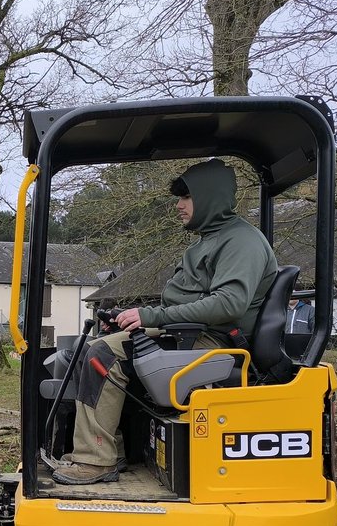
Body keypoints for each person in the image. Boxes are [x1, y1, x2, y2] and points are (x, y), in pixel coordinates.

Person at [53, 158, 278, 486]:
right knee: (86, 347)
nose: (179, 206)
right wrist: (131, 319)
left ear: (209, 197)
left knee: (103, 355)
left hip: (213, 344)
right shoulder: (207, 241)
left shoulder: (241, 242)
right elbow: (183, 302)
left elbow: (228, 305)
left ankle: (95, 459)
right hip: (189, 334)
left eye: (186, 197)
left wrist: (150, 316)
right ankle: (109, 451)